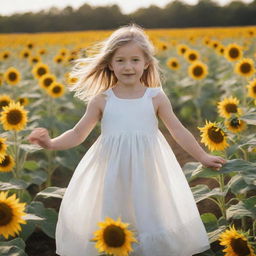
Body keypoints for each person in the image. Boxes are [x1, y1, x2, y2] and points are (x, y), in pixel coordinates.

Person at [28, 23, 226, 256]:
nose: (128, 66)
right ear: (110, 64)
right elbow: (77, 133)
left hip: (147, 168)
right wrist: (50, 143)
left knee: (148, 213)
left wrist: (202, 155)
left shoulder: (155, 97)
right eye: (120, 60)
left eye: (134, 60)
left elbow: (178, 130)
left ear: (146, 63)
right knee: (114, 215)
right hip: (112, 170)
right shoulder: (102, 99)